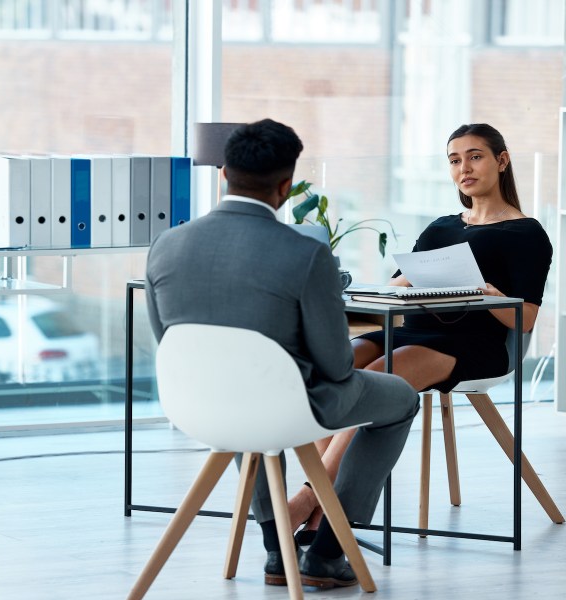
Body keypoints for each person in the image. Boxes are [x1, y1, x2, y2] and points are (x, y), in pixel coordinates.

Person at [145, 118, 419, 588]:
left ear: (224, 173)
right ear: (287, 185)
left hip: (196, 405)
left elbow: (166, 338)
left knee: (235, 396)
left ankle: (277, 549)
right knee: (400, 398)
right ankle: (330, 551)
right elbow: (337, 365)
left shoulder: (165, 245)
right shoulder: (303, 254)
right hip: (289, 407)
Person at [287, 122, 553, 541]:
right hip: (410, 333)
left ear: (501, 161)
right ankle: (330, 510)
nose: (464, 167)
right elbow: (397, 284)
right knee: (328, 367)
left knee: (377, 374)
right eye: (454, 160)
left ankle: (308, 500)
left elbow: (528, 319)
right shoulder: (443, 226)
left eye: (475, 156)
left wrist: (491, 295)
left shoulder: (526, 233)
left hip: (470, 346)